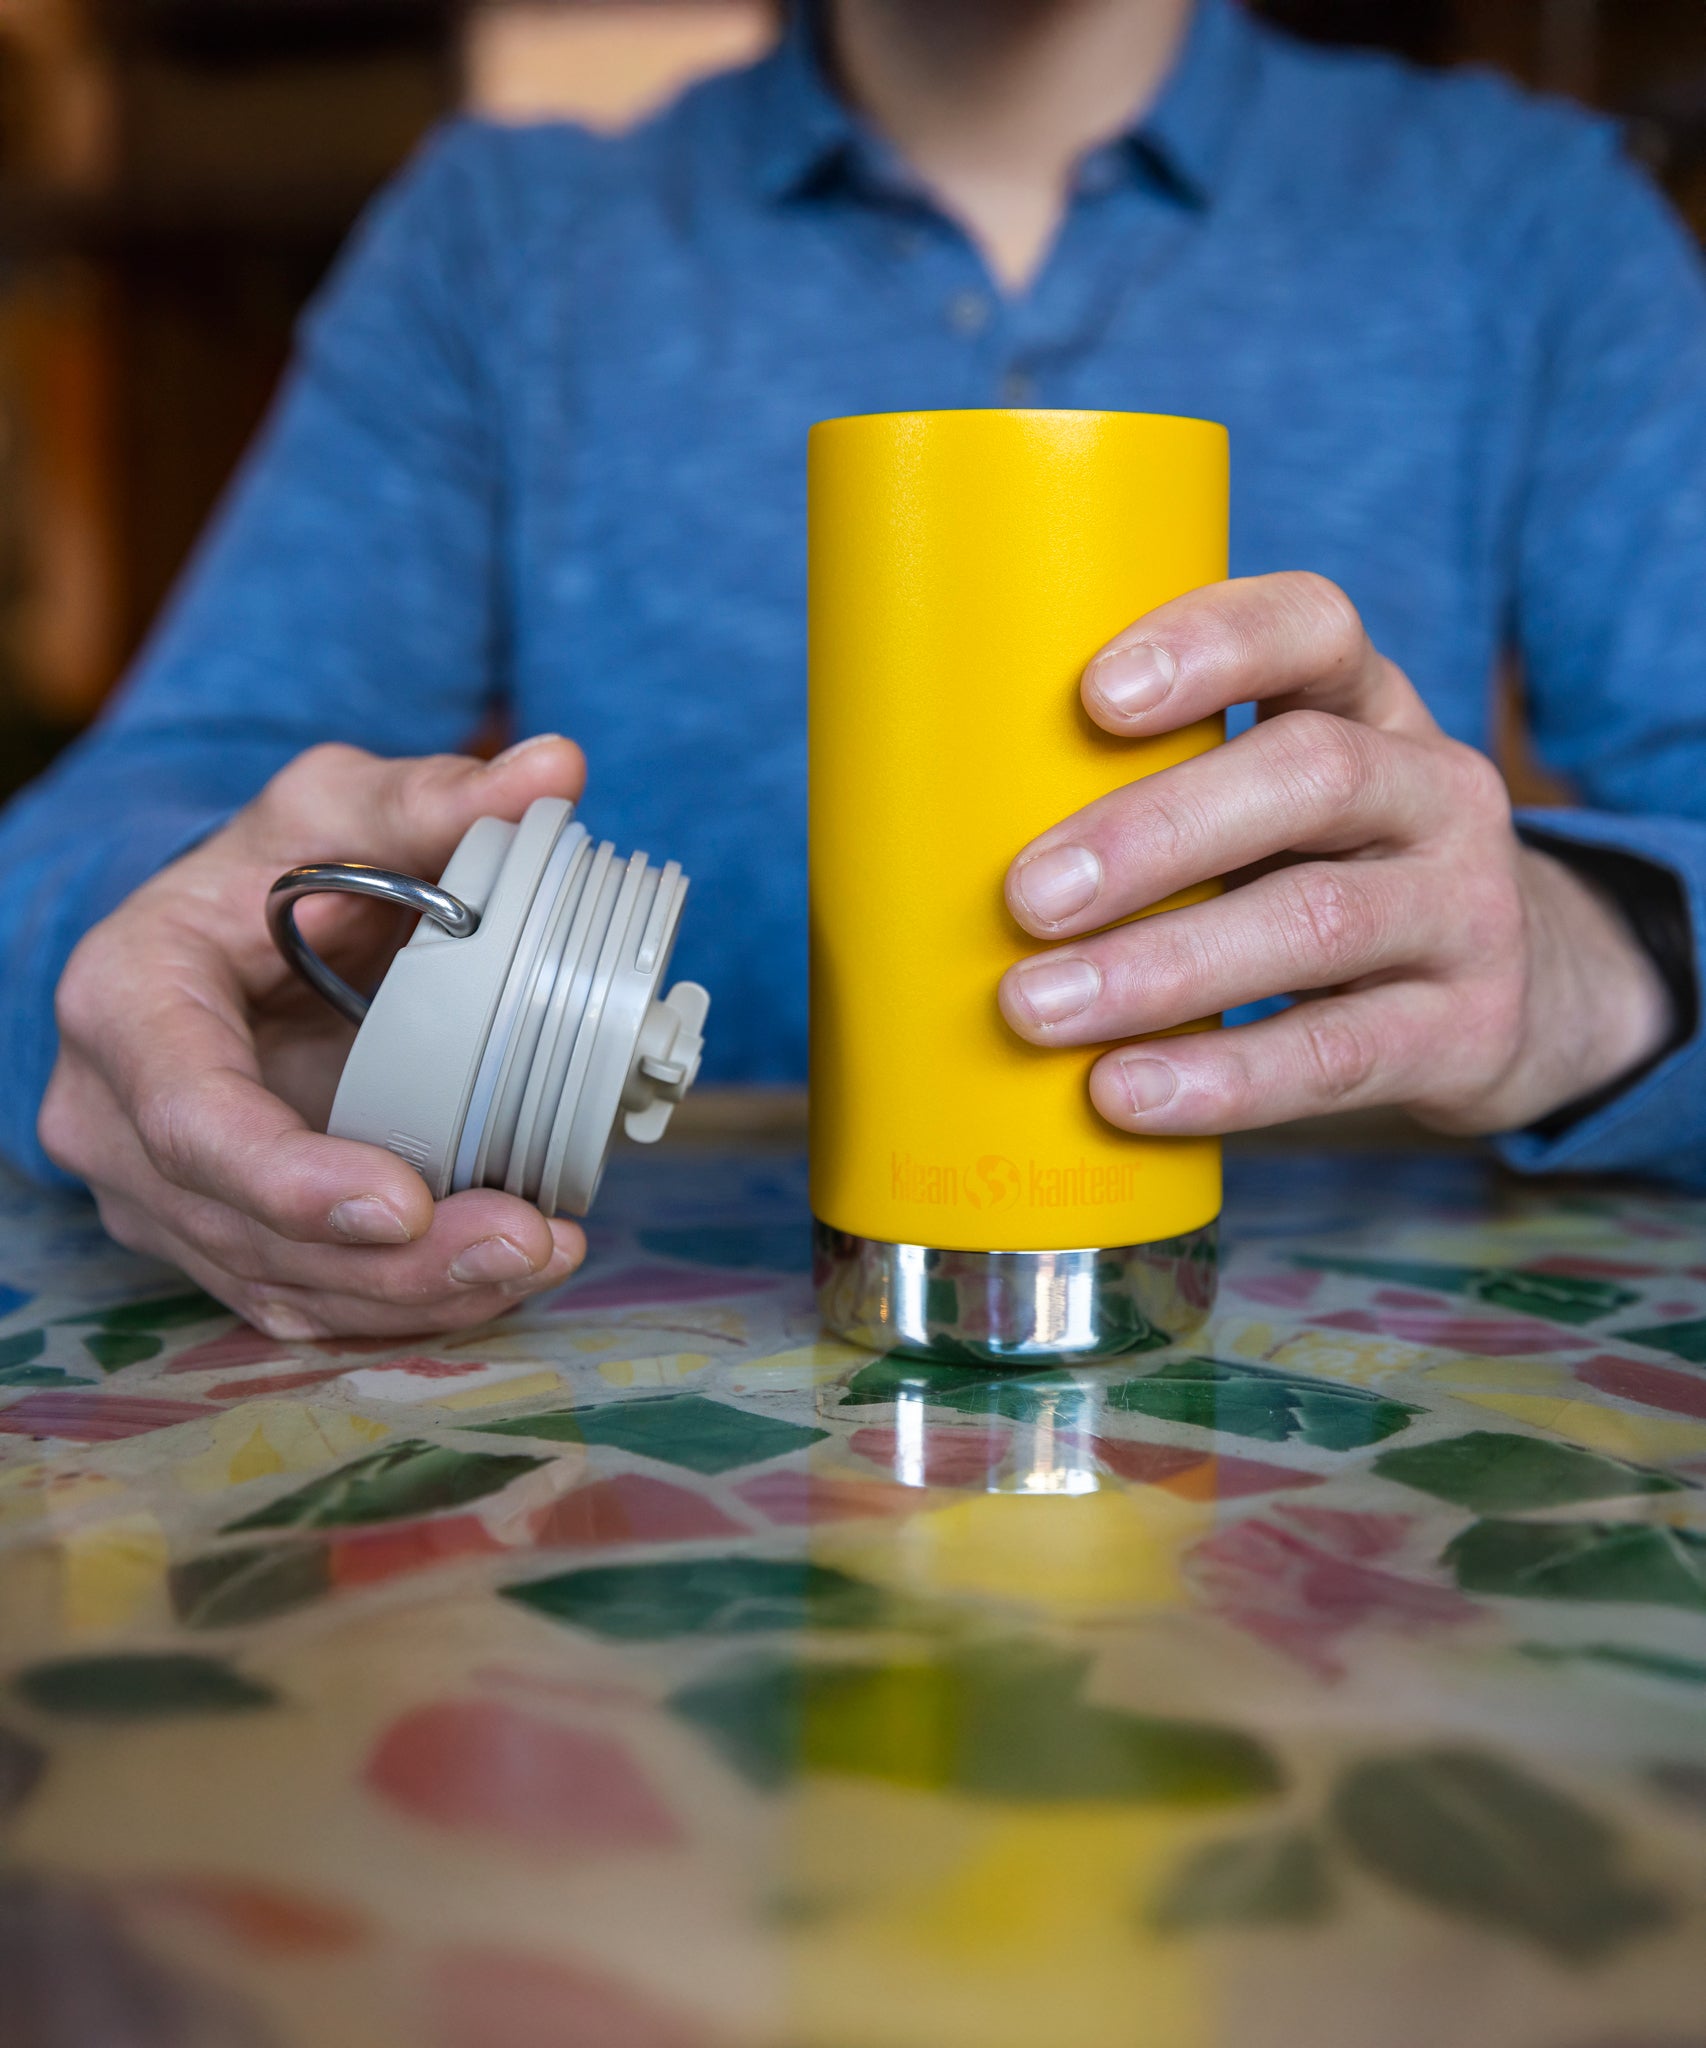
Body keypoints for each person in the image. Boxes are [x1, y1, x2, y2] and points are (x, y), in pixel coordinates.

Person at [0, 0, 1700, 1341]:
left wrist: (1591, 956)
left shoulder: (1535, 221)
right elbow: (120, 830)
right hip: (663, 1401)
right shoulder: (508, 240)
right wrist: (143, 976)